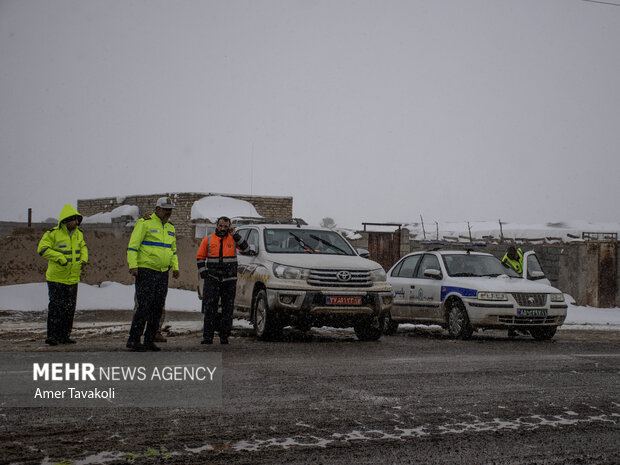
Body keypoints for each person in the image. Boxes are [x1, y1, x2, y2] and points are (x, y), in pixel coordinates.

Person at [126, 197, 180, 351]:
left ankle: (149, 340)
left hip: (163, 272)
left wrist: (175, 267)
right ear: (157, 209)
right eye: (165, 209)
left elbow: (173, 250)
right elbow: (133, 246)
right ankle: (134, 339)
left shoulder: (170, 227)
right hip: (146, 271)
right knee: (144, 307)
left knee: (157, 308)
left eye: (170, 209)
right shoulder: (145, 223)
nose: (168, 212)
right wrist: (133, 265)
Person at [37, 204, 88, 345]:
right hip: (57, 278)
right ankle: (52, 336)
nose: (77, 223)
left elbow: (83, 247)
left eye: (78, 220)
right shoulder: (52, 234)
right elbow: (42, 249)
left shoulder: (79, 233)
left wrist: (84, 259)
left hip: (72, 278)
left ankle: (64, 336)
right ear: (66, 220)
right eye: (74, 220)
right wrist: (60, 258)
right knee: (56, 308)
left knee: (69, 309)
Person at [196, 216, 249, 344]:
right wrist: (204, 273)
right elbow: (200, 257)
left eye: (226, 226)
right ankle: (207, 337)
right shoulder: (208, 239)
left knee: (228, 309)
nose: (223, 229)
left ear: (229, 227)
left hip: (229, 280)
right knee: (210, 308)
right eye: (221, 226)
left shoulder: (233, 238)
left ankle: (224, 336)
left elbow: (246, 249)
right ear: (217, 225)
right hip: (212, 279)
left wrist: (235, 234)